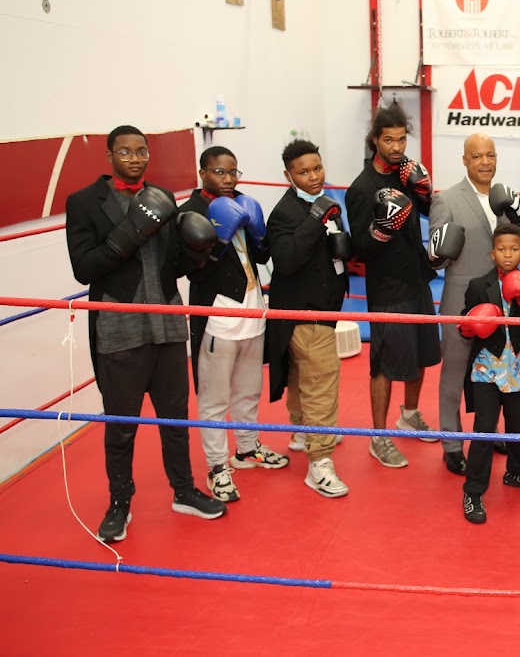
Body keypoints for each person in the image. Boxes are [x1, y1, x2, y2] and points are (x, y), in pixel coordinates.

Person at [65, 125, 225, 543]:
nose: (135, 159)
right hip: (120, 327)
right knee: (121, 425)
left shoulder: (163, 197)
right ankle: (120, 502)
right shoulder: (84, 203)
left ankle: (184, 490)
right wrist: (133, 229)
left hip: (168, 321)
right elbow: (85, 269)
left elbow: (171, 265)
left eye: (141, 151)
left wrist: (200, 249)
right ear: (109, 155)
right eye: (125, 152)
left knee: (175, 417)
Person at [179, 146, 288, 503]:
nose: (228, 180)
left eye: (233, 173)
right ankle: (216, 466)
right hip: (218, 316)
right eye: (220, 173)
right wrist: (217, 241)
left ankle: (246, 448)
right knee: (214, 397)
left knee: (248, 389)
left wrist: (258, 233)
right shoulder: (189, 213)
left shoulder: (243, 203)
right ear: (203, 173)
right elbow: (188, 269)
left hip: (253, 311)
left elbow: (262, 256)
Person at [347, 101, 441, 468]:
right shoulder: (361, 187)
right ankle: (378, 436)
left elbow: (427, 213)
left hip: (416, 278)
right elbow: (358, 249)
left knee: (421, 354)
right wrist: (381, 230)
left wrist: (423, 193)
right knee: (385, 363)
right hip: (386, 286)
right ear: (375, 141)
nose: (397, 147)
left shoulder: (404, 172)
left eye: (402, 140)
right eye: (389, 140)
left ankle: (409, 413)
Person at [430, 134, 520, 476]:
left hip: (500, 300)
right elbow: (436, 258)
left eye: (490, 155)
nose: (485, 162)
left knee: (497, 372)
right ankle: (452, 444)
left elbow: (515, 244)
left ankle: (487, 435)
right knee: (454, 374)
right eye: (477, 156)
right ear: (465, 160)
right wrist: (440, 250)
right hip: (460, 300)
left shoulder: (505, 199)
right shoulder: (446, 199)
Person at [265, 139, 350, 498]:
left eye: (317, 168)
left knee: (302, 377)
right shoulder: (285, 213)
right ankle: (320, 462)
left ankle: (302, 431)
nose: (314, 176)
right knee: (321, 383)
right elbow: (284, 261)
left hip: (322, 310)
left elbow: (336, 252)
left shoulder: (329, 205)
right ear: (288, 175)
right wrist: (316, 218)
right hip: (305, 312)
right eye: (303, 172)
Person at [460, 224, 520, 523]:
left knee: (517, 425)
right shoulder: (477, 284)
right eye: (501, 248)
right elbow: (464, 327)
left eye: (513, 249)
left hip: (518, 365)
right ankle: (473, 490)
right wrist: (468, 324)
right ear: (492, 252)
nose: (507, 254)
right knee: (484, 428)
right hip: (486, 366)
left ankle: (517, 472)